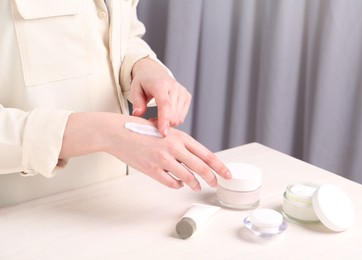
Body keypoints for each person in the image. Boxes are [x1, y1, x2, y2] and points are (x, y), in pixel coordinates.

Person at [0, 0, 231, 207]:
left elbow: (119, 33)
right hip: (27, 216)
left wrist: (142, 65)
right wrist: (105, 133)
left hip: (117, 202)